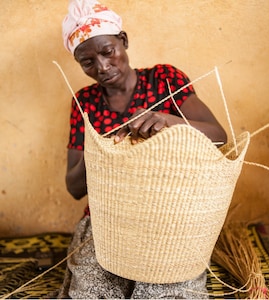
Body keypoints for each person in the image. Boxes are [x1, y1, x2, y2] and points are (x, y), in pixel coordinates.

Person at [58, 0, 227, 298]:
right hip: (108, 220)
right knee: (94, 291)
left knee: (163, 290)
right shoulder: (83, 103)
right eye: (87, 62)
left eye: (107, 52)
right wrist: (100, 148)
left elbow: (219, 136)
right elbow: (73, 188)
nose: (102, 67)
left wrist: (168, 120)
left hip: (170, 215)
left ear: (123, 41)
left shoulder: (164, 79)